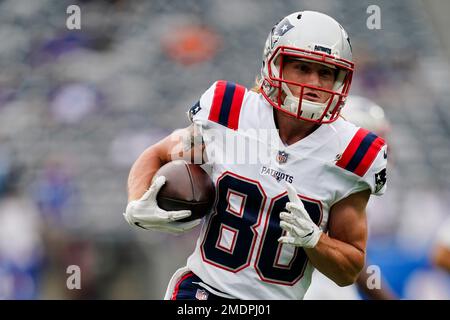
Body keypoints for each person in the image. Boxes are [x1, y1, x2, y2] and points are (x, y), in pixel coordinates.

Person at [124, 11, 388, 300]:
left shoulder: (352, 152)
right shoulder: (231, 112)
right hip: (203, 292)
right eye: (302, 67)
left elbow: (348, 271)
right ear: (275, 64)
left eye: (325, 72)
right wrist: (138, 201)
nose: (314, 83)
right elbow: (157, 154)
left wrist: (315, 241)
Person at [305, 95, 397, 300]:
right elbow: (353, 264)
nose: (386, 148)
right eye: (378, 139)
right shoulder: (345, 187)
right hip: (320, 287)